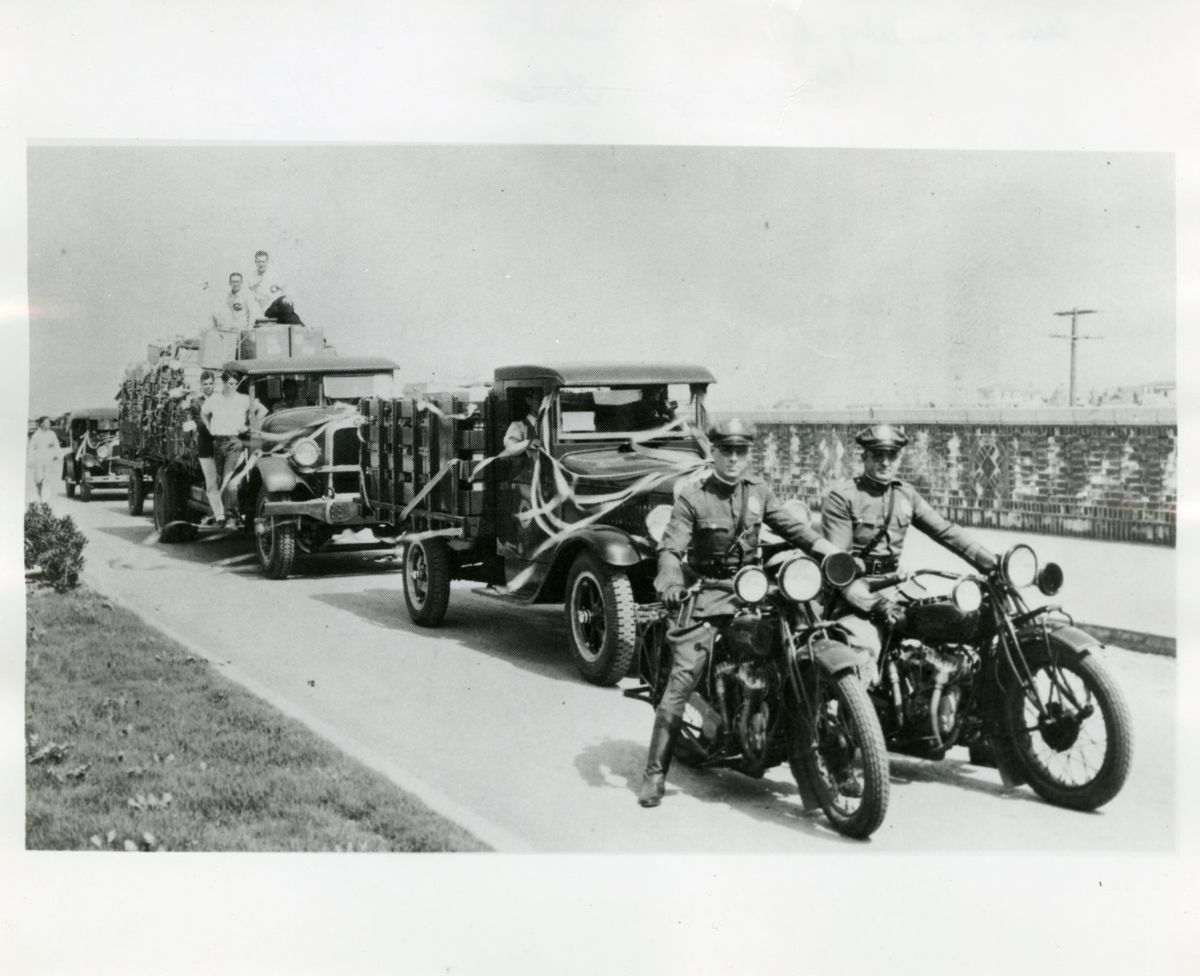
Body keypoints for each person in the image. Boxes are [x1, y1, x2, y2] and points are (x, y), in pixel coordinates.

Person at [637, 417, 871, 809]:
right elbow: (671, 549)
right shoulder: (693, 497)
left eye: (740, 451)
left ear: (748, 454)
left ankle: (833, 760)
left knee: (806, 640)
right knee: (682, 677)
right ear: (714, 452)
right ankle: (654, 773)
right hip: (709, 592)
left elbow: (795, 529)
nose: (733, 458)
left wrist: (830, 552)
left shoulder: (758, 492)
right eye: (726, 450)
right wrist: (671, 582)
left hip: (754, 587)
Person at [820, 424, 998, 680]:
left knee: (953, 625)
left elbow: (945, 531)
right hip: (857, 593)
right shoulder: (843, 497)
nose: (884, 462)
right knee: (864, 658)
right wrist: (877, 606)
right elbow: (842, 570)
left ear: (899, 457)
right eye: (877, 455)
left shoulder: (905, 494)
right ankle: (862, 716)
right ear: (864, 457)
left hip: (898, 586)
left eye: (891, 455)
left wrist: (991, 562)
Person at [202, 368, 251, 526]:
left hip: (234, 442)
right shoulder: (214, 399)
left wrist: (247, 426)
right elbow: (204, 413)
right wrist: (209, 427)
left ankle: (232, 514)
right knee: (220, 479)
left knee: (229, 480)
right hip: (218, 442)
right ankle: (222, 515)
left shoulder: (243, 399)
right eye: (230, 383)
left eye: (236, 384)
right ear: (223, 383)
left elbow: (261, 410)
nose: (233, 386)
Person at [188, 370, 225, 525]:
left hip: (222, 446)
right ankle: (220, 515)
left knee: (226, 479)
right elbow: (202, 426)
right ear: (201, 385)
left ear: (214, 384)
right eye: (205, 384)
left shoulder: (221, 399)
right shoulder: (196, 404)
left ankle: (229, 510)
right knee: (211, 483)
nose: (208, 387)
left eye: (210, 384)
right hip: (206, 448)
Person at [247, 249, 303, 325]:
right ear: (255, 262)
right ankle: (309, 333)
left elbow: (284, 287)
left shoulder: (273, 274)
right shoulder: (252, 277)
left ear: (267, 262)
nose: (261, 264)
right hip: (267, 310)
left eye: (263, 262)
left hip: (279, 306)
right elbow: (250, 298)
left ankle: (307, 332)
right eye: (259, 261)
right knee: (286, 307)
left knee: (289, 315)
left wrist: (288, 297)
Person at [27, 416, 63, 502]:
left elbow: (57, 445)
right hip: (38, 459)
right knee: (38, 479)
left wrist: (58, 455)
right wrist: (30, 459)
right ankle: (39, 495)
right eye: (47, 422)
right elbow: (31, 448)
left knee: (47, 479)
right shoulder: (36, 435)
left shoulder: (52, 434)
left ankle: (45, 500)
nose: (49, 424)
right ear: (42, 424)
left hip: (48, 459)